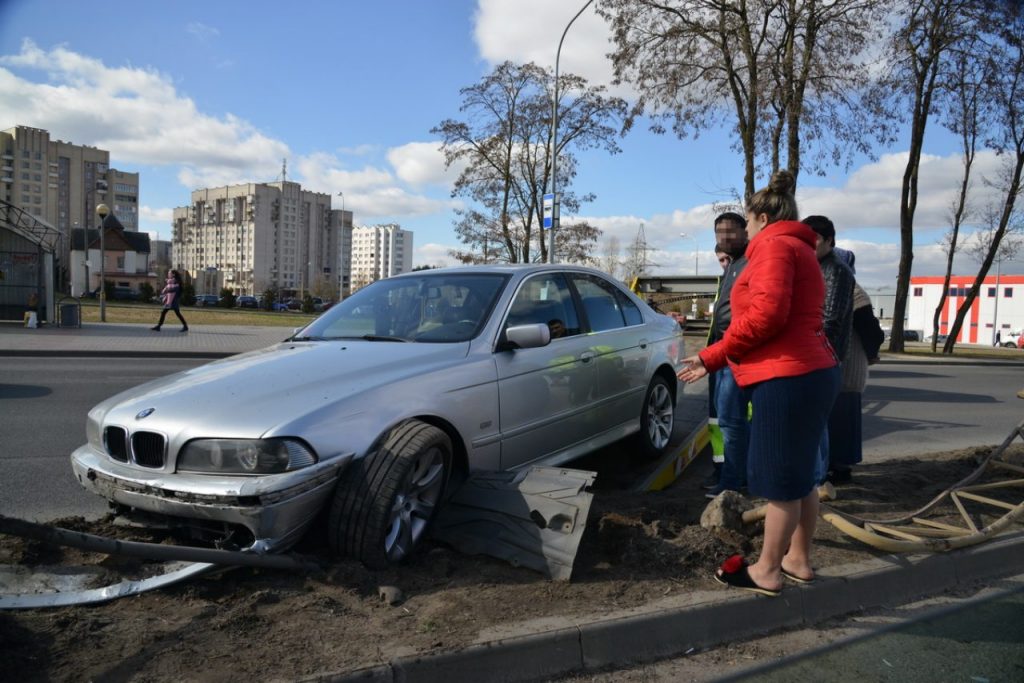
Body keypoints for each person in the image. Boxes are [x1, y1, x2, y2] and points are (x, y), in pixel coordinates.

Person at [678, 170, 839, 597]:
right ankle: (797, 559)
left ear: (763, 218)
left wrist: (713, 355)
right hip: (811, 371)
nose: (745, 230)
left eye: (747, 222)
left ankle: (766, 570)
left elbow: (766, 317)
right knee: (802, 476)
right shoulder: (796, 248)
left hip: (786, 376)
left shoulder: (772, 249)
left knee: (779, 478)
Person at [802, 215, 855, 485]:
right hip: (815, 356)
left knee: (815, 421)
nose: (808, 244)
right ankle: (815, 478)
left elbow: (830, 321)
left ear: (830, 240)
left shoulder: (835, 270)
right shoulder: (815, 266)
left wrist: (803, 349)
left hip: (822, 358)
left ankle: (816, 480)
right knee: (813, 421)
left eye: (815, 239)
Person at [703, 212, 751, 498]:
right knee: (724, 419)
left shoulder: (749, 263)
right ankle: (729, 477)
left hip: (737, 353)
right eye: (719, 232)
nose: (724, 236)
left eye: (731, 231)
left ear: (745, 231)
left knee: (733, 420)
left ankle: (733, 483)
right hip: (723, 352)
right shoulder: (733, 266)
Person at [827, 282, 885, 484]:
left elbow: (871, 330)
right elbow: (873, 332)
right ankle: (837, 467)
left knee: (841, 420)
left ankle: (839, 469)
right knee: (840, 422)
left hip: (846, 367)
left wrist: (871, 352)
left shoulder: (852, 291)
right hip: (840, 366)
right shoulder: (848, 289)